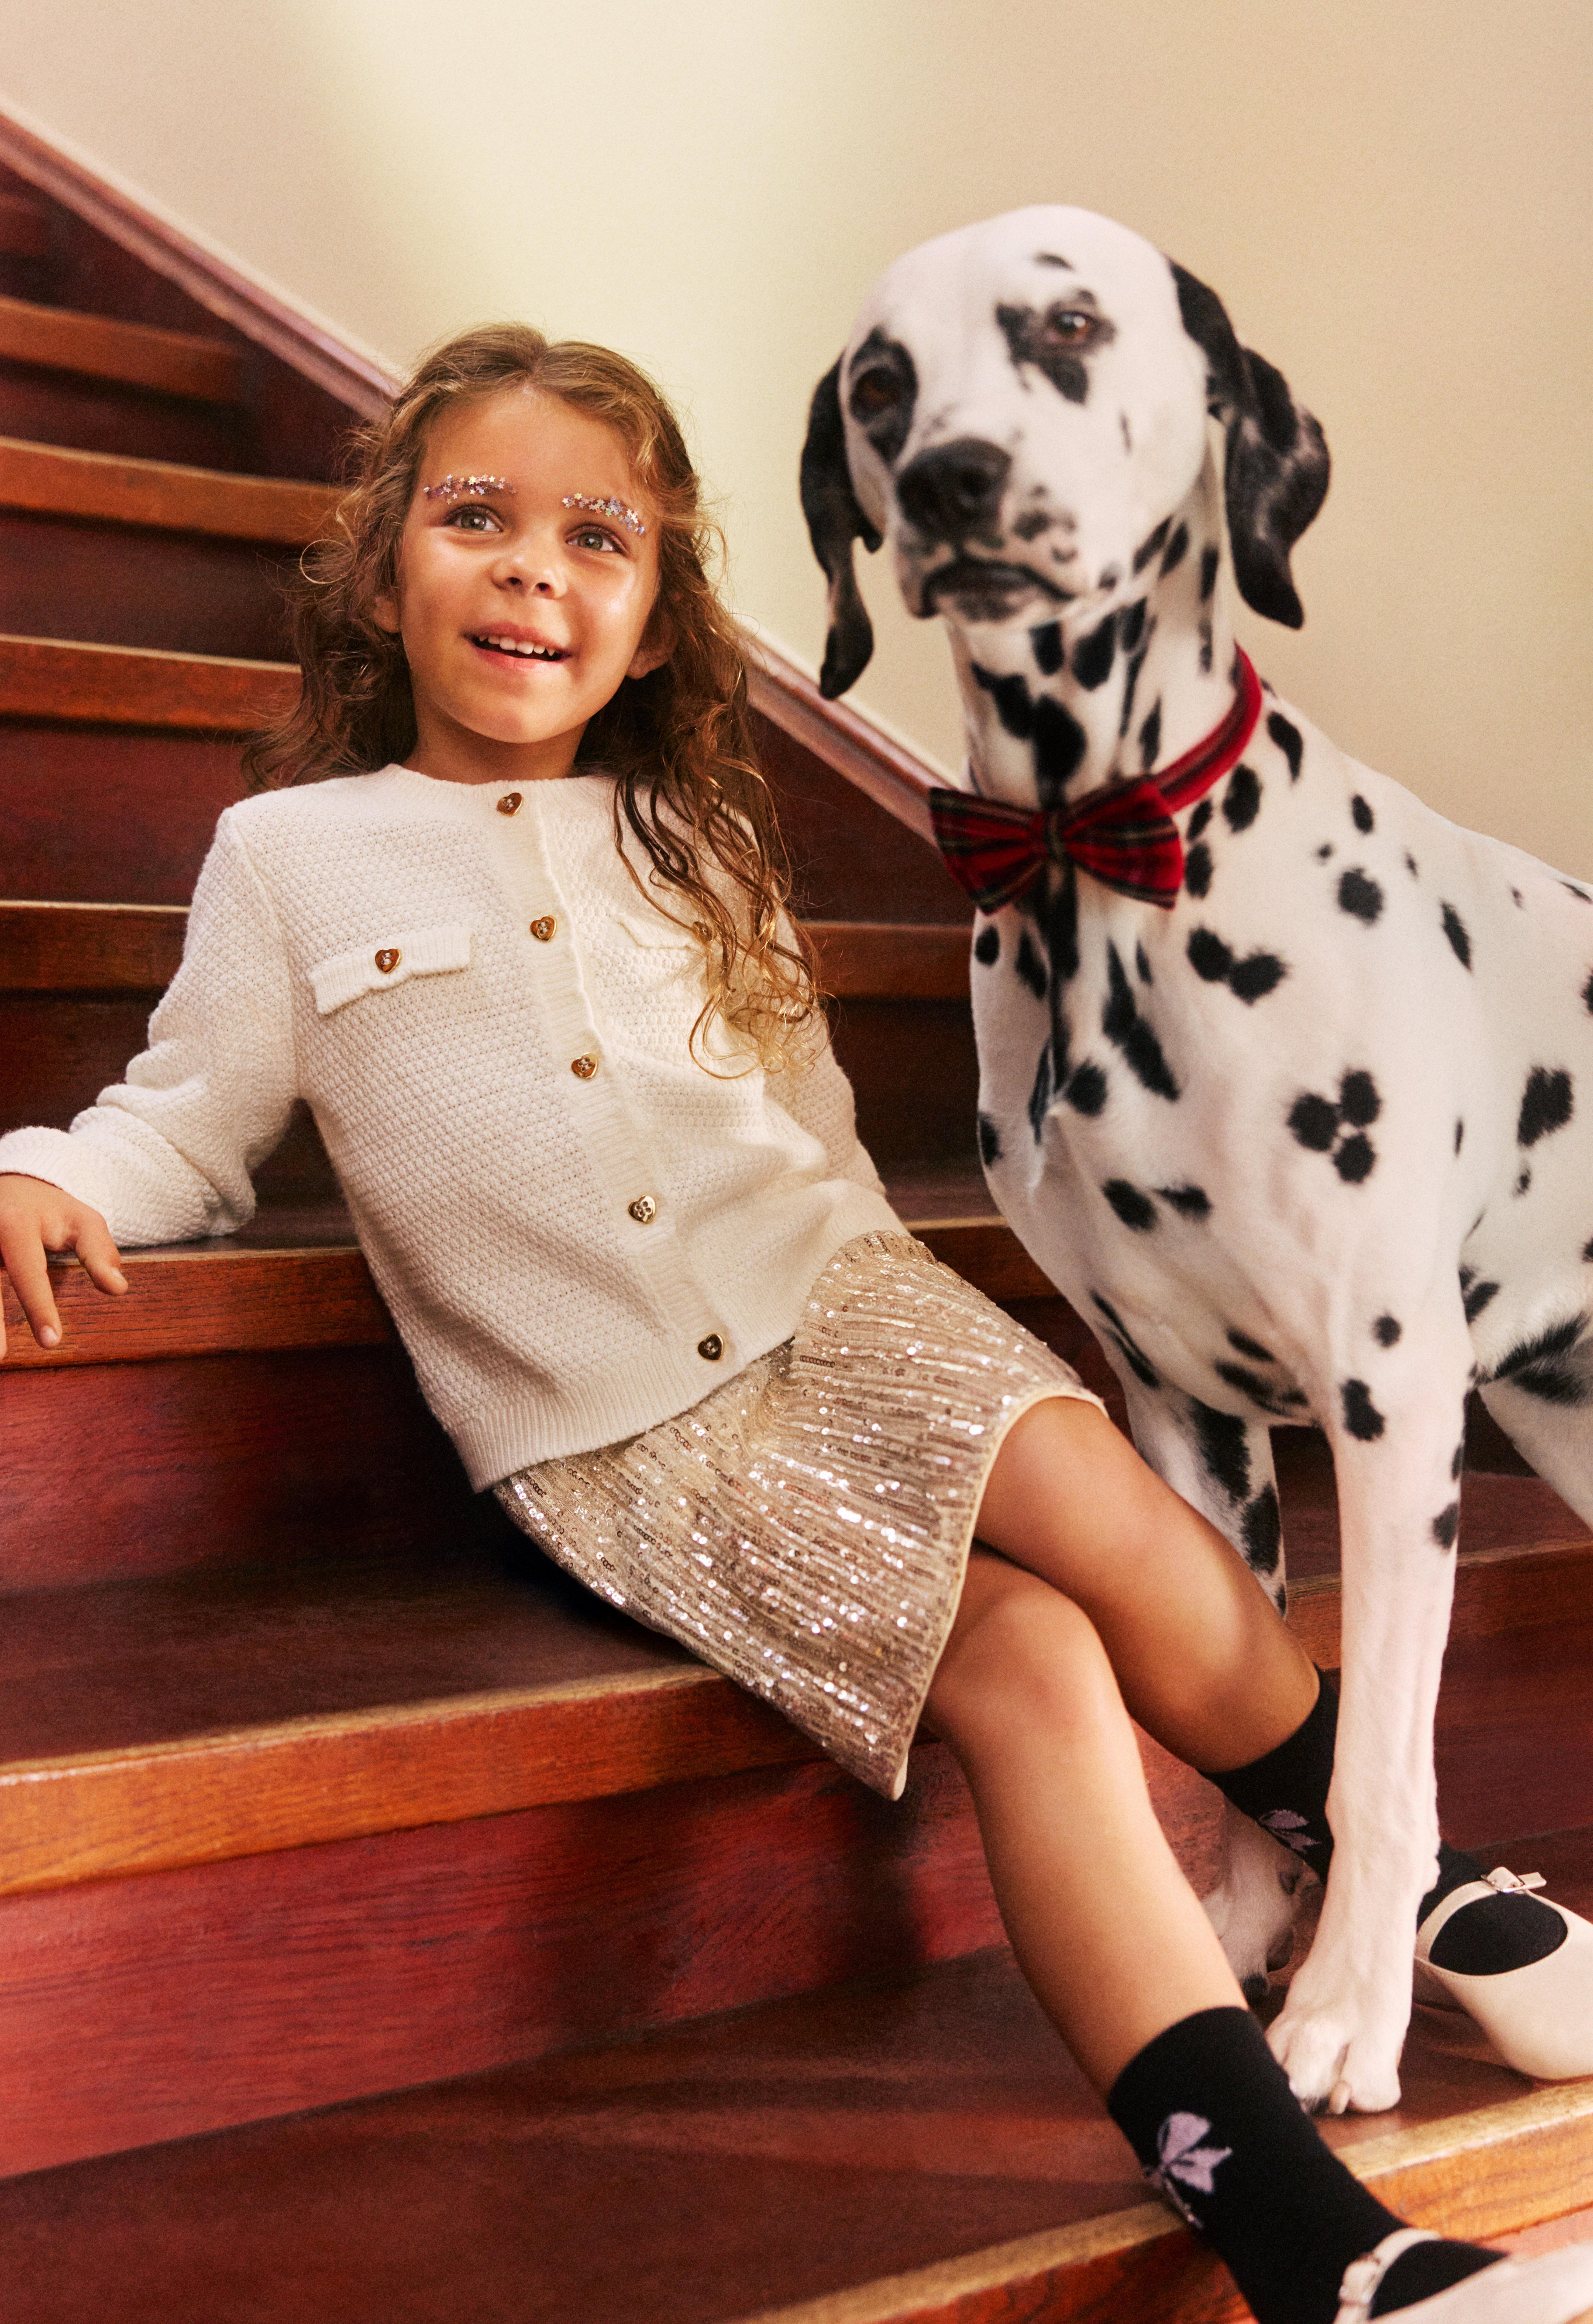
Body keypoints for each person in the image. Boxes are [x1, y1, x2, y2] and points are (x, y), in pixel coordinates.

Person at [0, 326, 1587, 2324]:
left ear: (657, 625)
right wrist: (56, 1171)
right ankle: (1340, 2267)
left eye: (601, 539)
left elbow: (817, 1134)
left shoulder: (703, 843)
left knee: (1092, 1494)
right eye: (475, 519)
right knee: (1025, 1657)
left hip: (840, 1302)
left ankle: (1421, 1887)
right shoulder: (293, 859)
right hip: (626, 1434)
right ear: (382, 568)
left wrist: (922, 1331)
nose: (533, 570)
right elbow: (187, 1111)